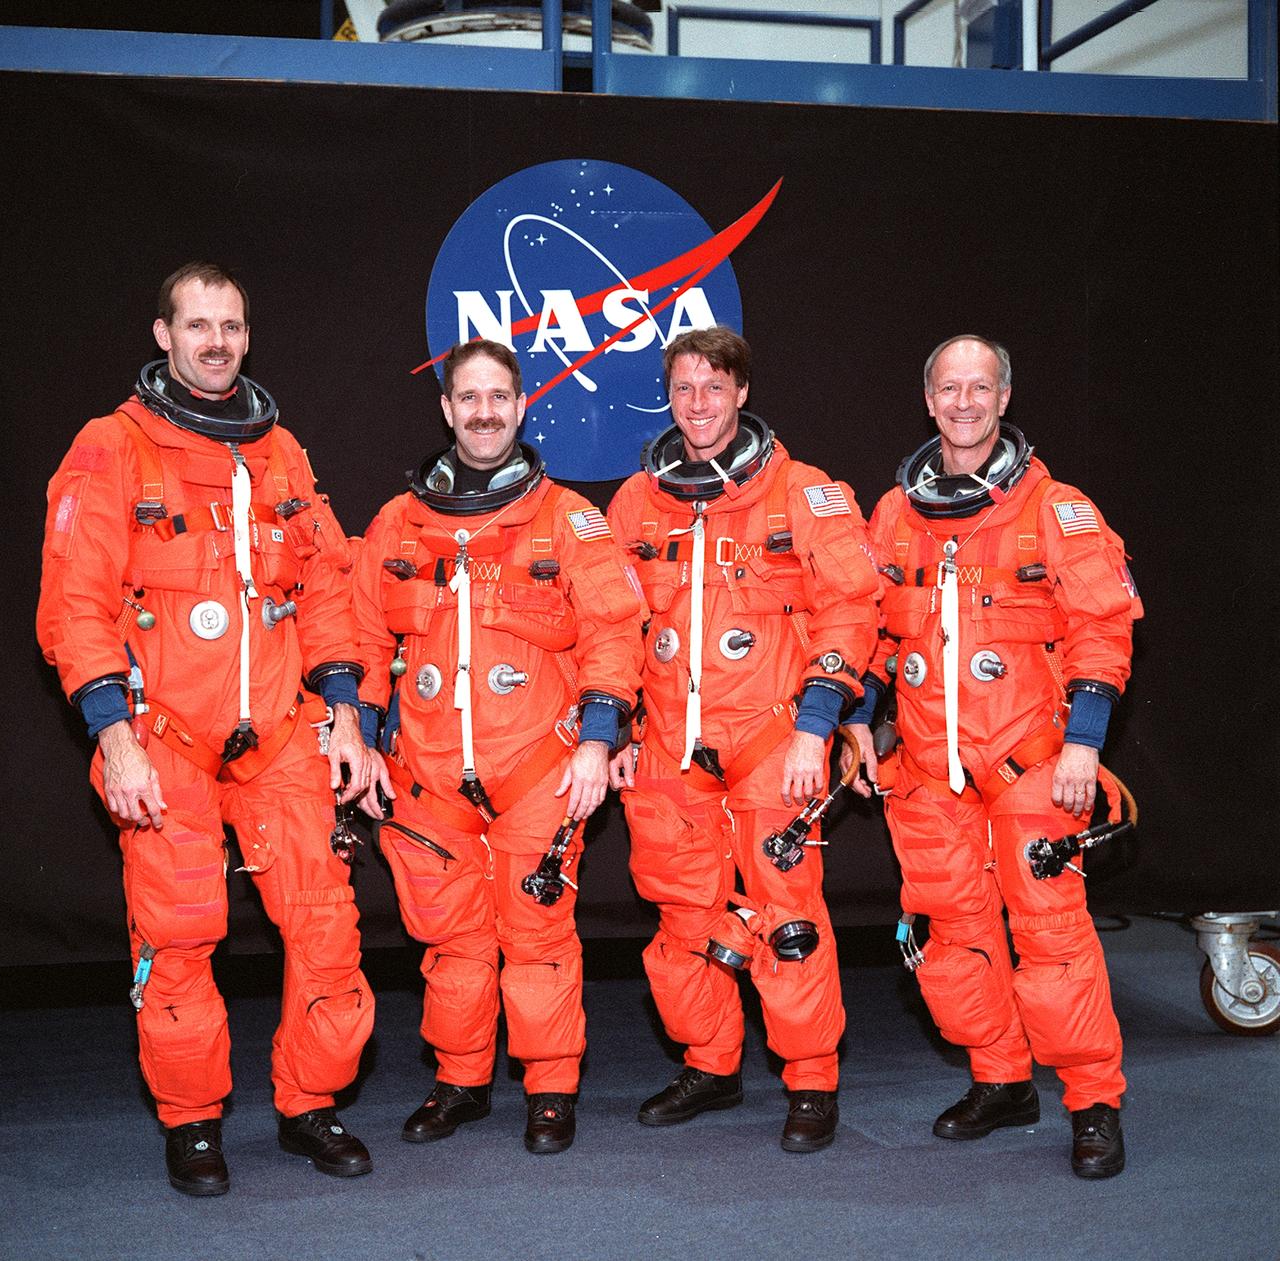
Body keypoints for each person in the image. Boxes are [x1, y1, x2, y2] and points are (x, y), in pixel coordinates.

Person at [37, 262, 377, 1197]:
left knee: (326, 929)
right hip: (164, 745)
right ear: (164, 335)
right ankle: (192, 1125)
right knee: (180, 936)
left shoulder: (281, 454)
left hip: (277, 738)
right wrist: (114, 738)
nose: (217, 340)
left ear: (246, 336)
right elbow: (75, 604)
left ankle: (309, 1104)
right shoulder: (113, 448)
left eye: (231, 325)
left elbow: (328, 586)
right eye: (198, 324)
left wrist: (347, 714)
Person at [843, 334, 1142, 1179]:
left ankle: (1092, 1100)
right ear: (928, 400)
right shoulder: (896, 513)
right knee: (950, 938)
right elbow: (868, 627)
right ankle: (1002, 1078)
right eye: (949, 388)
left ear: (1005, 398)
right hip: (929, 774)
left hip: (1031, 764)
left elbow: (1102, 629)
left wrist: (1084, 745)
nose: (965, 402)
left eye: (981, 387)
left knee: (1052, 940)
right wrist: (859, 717)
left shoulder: (1055, 509)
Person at [353, 339, 643, 1155]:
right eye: (468, 398)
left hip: (539, 770)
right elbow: (362, 634)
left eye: (499, 397)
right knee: (452, 939)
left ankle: (550, 1088)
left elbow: (616, 632)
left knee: (539, 936)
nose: (484, 411)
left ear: (521, 407)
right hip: (429, 776)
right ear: (447, 409)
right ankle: (461, 1079)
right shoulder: (398, 522)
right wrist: (364, 735)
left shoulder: (568, 518)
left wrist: (597, 743)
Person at [606, 326, 880, 1152]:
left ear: (743, 393)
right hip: (669, 755)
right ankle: (711, 1063)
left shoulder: (803, 492)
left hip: (774, 743)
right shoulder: (635, 502)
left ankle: (810, 1079)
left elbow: (850, 609)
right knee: (684, 918)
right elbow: (611, 624)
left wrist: (819, 727)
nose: (699, 404)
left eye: (715, 388)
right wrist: (614, 724)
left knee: (789, 918)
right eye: (685, 388)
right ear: (670, 395)